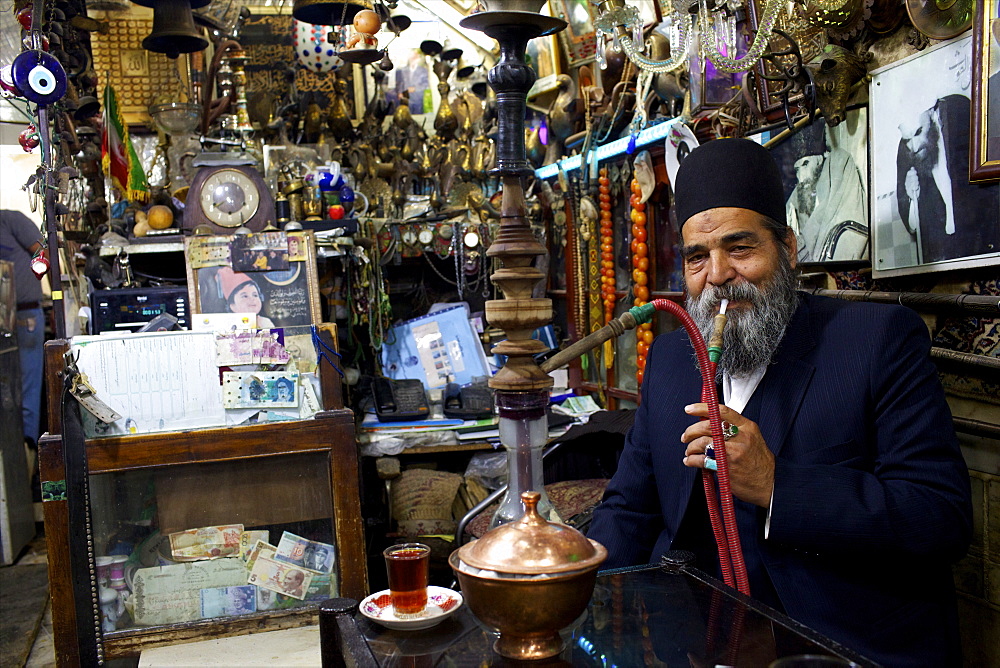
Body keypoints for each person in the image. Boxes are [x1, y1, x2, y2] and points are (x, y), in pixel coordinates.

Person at [587, 139, 972, 666]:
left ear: (788, 250)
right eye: (698, 257)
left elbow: (940, 518)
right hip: (693, 641)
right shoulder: (674, 359)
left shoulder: (876, 342)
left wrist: (776, 485)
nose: (717, 275)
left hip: (835, 645)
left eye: (740, 249)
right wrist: (573, 588)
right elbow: (630, 507)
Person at [0, 210, 46, 448]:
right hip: (3, 319)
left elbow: (42, 252)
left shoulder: (10, 220)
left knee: (28, 388)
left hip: (25, 314)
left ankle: (28, 451)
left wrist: (31, 278)